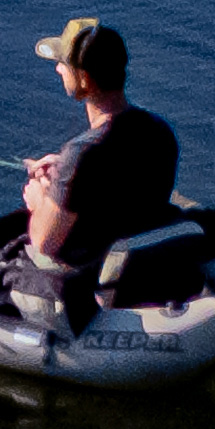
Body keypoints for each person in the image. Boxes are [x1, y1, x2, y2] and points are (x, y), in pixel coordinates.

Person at [13, 16, 180, 292]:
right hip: (144, 258)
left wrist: (39, 198)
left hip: (96, 272)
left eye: (63, 64)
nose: (57, 69)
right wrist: (64, 173)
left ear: (84, 78)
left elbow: (45, 241)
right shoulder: (160, 132)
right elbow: (119, 177)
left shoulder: (82, 153)